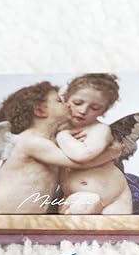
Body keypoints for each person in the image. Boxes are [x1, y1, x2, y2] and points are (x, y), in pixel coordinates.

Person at [0, 81, 115, 214]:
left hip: (22, 217)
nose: (67, 104)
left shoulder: (49, 141)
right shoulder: (31, 141)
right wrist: (111, 154)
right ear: (41, 110)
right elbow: (79, 162)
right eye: (59, 101)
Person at [55, 74, 134, 214]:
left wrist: (62, 136)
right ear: (65, 99)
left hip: (116, 198)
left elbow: (82, 155)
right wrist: (110, 155)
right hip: (78, 198)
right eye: (78, 103)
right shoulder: (54, 127)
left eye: (95, 107)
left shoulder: (100, 130)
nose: (83, 111)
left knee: (119, 227)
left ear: (104, 111)